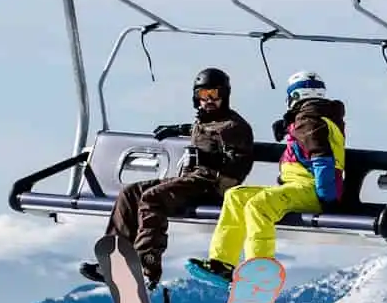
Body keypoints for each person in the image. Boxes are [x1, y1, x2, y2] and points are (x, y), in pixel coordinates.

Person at [79, 67, 255, 289]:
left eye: (215, 94)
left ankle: (147, 266)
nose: (209, 100)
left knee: (153, 198)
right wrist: (177, 129)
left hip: (212, 185)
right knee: (131, 193)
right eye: (203, 95)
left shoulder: (235, 127)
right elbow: (201, 129)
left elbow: (239, 167)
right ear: (196, 97)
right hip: (193, 179)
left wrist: (212, 160)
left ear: (225, 96)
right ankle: (114, 261)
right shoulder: (205, 121)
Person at [186, 70, 345, 287]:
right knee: (236, 196)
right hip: (298, 187)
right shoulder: (310, 119)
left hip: (313, 190)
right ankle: (222, 263)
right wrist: (289, 125)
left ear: (294, 97)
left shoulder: (310, 122)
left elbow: (323, 160)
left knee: (259, 206)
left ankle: (259, 269)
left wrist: (327, 199)